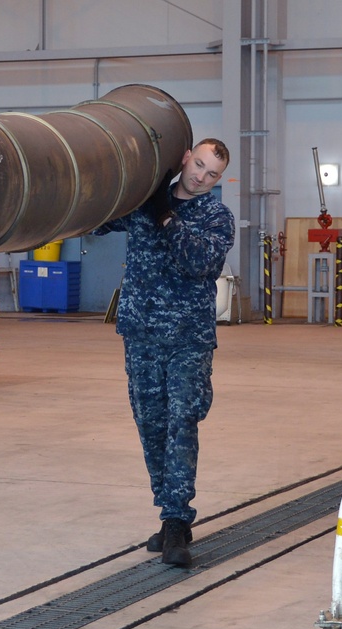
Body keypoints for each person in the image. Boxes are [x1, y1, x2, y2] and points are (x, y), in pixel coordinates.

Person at [95, 138, 235, 568]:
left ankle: (177, 519)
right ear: (184, 158)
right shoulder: (144, 203)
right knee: (150, 423)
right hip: (140, 333)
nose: (200, 177)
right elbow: (95, 222)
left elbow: (201, 262)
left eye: (211, 174)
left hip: (188, 338)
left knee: (181, 421)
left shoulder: (216, 215)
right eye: (197, 165)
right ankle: (167, 508)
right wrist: (133, 187)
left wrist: (168, 218)